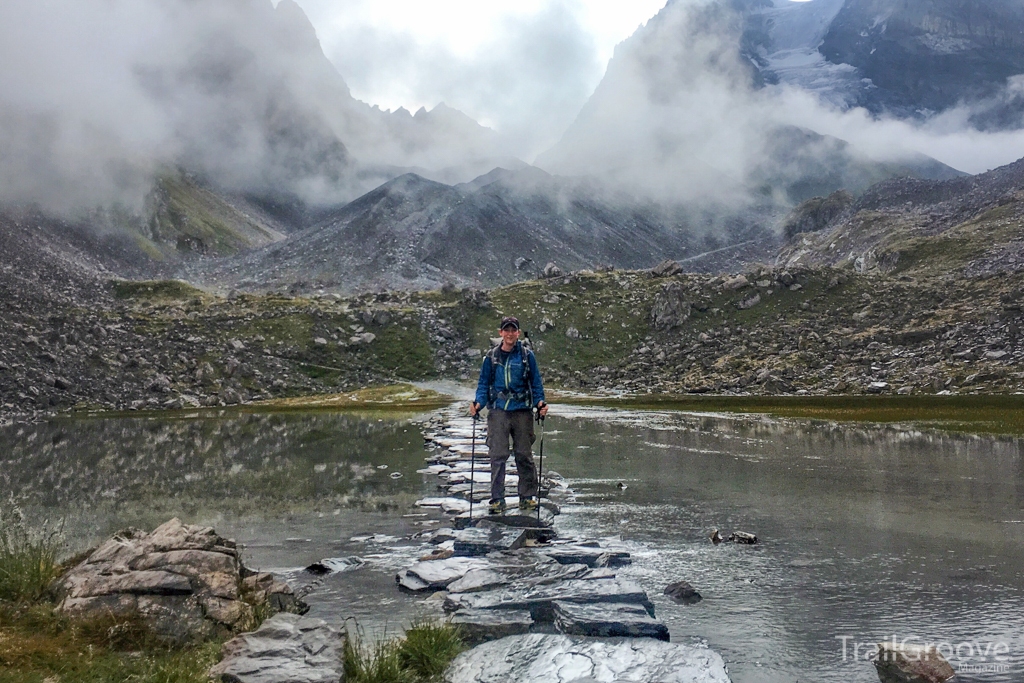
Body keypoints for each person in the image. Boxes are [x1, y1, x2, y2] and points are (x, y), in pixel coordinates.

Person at [470, 316, 549, 514]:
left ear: (518, 333)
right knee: (497, 455)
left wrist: (540, 403)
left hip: (522, 411)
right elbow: (483, 384)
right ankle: (497, 499)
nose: (510, 333)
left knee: (524, 454)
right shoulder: (491, 357)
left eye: (513, 330)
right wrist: (478, 403)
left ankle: (527, 497)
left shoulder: (526, 356)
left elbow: (536, 383)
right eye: (507, 330)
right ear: (501, 333)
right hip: (498, 411)